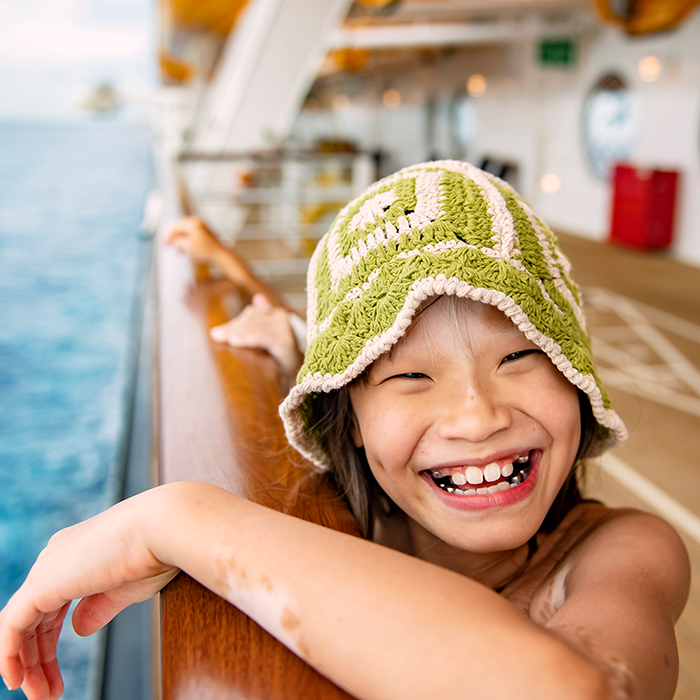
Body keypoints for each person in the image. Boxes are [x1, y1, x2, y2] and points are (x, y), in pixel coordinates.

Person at [0, 160, 690, 700]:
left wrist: (178, 518)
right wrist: (243, 281)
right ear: (350, 421)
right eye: (411, 378)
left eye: (519, 357)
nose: (477, 416)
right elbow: (324, 358)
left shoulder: (629, 548)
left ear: (574, 378)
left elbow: (586, 688)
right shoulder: (355, 446)